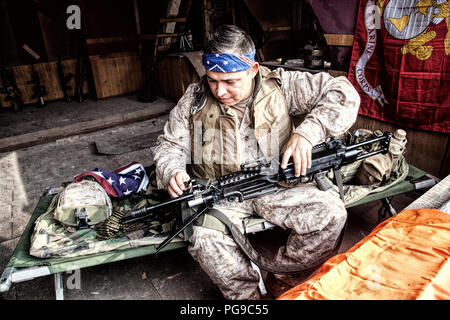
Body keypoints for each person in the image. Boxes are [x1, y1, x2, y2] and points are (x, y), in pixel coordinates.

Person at [153, 24, 360, 300]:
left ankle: (283, 284)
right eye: (213, 79)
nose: (220, 91)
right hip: (221, 195)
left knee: (331, 214)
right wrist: (172, 171)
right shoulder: (195, 98)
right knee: (205, 240)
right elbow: (169, 145)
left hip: (278, 186)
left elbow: (343, 92)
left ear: (252, 69)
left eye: (230, 81)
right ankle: (248, 297)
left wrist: (307, 133)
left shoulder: (282, 85)